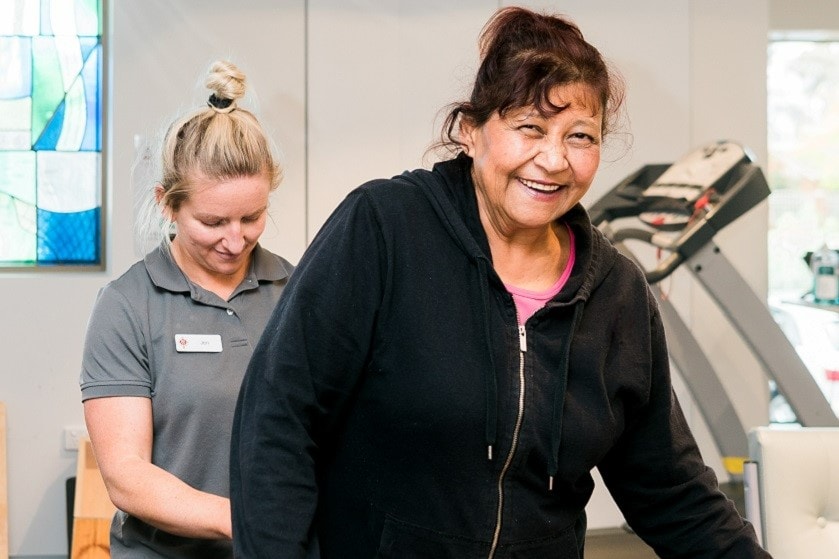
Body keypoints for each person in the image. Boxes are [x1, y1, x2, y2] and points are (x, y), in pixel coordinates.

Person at [230, 7, 771, 559]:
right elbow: (278, 419)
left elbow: (670, 488)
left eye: (580, 136)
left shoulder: (617, 292)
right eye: (530, 128)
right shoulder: (384, 228)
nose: (554, 160)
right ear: (471, 131)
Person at [79, 59, 293, 558]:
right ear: (167, 203)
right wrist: (241, 519)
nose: (235, 239)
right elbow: (127, 476)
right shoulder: (129, 307)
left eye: (253, 216)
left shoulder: (294, 289)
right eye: (213, 221)